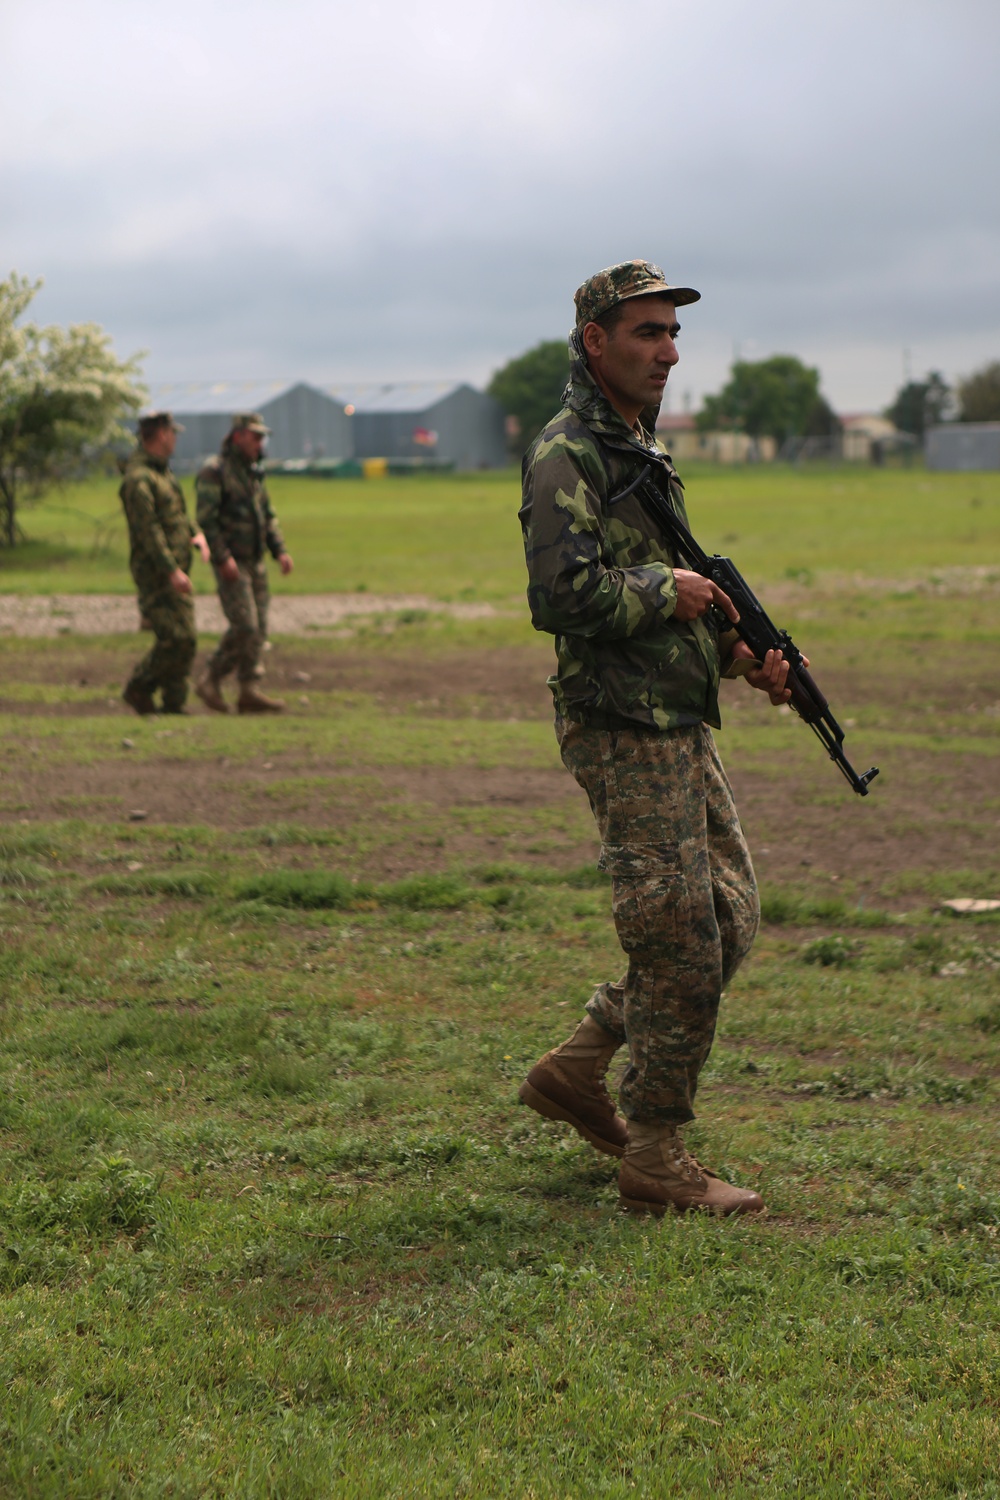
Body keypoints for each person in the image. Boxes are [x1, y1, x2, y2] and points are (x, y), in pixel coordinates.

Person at [518, 260, 801, 1218]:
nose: (668, 352)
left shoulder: (638, 447)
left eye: (673, 334)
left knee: (730, 918)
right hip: (619, 724)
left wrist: (740, 654)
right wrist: (662, 591)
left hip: (677, 717)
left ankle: (578, 1064)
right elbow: (562, 596)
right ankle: (654, 1153)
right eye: (647, 332)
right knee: (679, 937)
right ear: (596, 341)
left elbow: (666, 591)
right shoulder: (569, 452)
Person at [194, 413, 293, 714]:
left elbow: (266, 516)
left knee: (259, 629)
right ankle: (211, 678)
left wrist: (279, 551)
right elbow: (206, 521)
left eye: (262, 438)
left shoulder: (253, 473)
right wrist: (222, 558)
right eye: (255, 437)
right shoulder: (215, 472)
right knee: (245, 626)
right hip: (232, 562)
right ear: (238, 436)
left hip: (255, 560)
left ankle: (249, 690)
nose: (260, 443)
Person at [120, 412, 209, 716]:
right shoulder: (139, 479)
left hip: (178, 569)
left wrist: (196, 534)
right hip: (156, 573)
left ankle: (174, 703)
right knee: (176, 637)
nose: (175, 439)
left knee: (187, 638)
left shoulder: (163, 474)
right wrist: (171, 570)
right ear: (161, 434)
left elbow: (178, 515)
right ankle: (139, 685)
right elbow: (149, 530)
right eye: (172, 433)